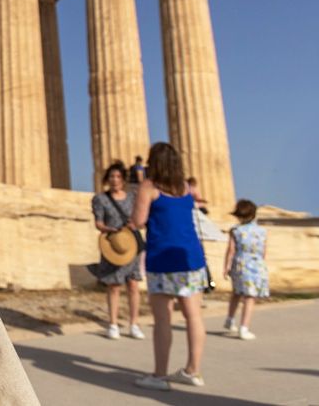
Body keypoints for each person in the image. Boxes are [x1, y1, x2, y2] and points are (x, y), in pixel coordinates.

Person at [131, 142, 208, 391]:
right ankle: (192, 371)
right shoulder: (185, 187)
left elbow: (139, 220)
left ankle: (159, 375)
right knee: (194, 316)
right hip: (191, 257)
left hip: (163, 258)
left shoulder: (149, 187)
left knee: (163, 319)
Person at [91, 162, 144, 339]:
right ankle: (113, 323)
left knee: (133, 285)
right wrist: (107, 229)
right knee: (113, 286)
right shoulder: (100, 199)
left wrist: (134, 224)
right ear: (108, 179)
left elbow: (141, 219)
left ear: (123, 179)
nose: (114, 180)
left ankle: (134, 323)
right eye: (112, 177)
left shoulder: (132, 197)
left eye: (118, 177)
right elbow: (98, 222)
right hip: (113, 245)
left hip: (131, 245)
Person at [224, 199, 269, 340]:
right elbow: (264, 251)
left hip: (239, 264)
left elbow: (230, 250)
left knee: (236, 292)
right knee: (250, 297)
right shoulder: (262, 231)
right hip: (256, 264)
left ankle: (230, 320)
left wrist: (226, 266)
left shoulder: (235, 230)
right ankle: (244, 328)